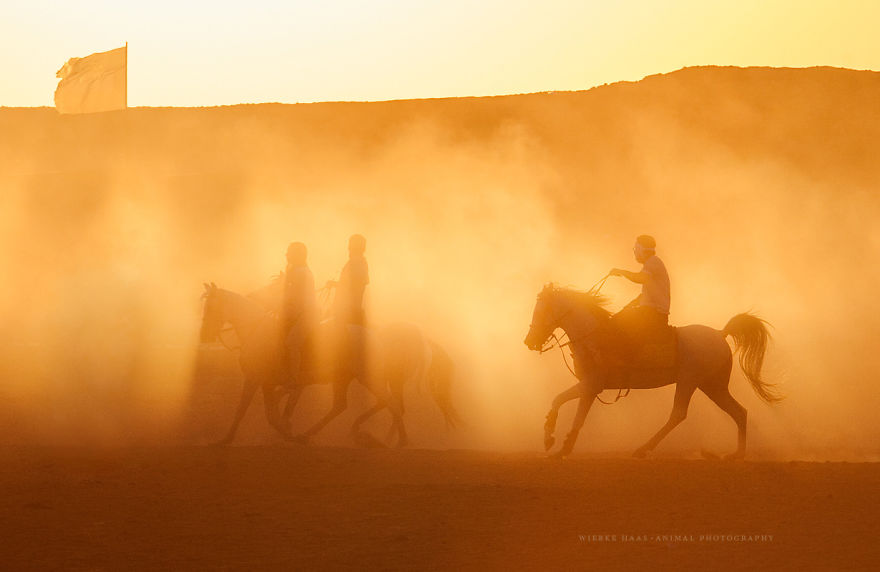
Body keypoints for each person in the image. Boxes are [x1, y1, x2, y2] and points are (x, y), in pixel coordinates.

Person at [607, 234, 671, 359]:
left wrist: (621, 272)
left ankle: (628, 359)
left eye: (635, 249)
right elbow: (648, 293)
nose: (635, 253)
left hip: (654, 313)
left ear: (641, 250)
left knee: (618, 323)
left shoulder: (653, 262)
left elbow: (640, 278)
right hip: (650, 311)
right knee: (620, 317)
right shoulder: (651, 263)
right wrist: (633, 303)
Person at [280, 242, 318, 382]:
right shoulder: (298, 271)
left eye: (289, 253)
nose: (286, 255)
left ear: (297, 255)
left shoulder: (300, 273)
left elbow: (291, 298)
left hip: (306, 315)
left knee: (292, 343)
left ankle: (294, 380)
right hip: (299, 313)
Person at [326, 234, 370, 327]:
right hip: (348, 311)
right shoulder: (359, 262)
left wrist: (334, 284)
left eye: (350, 245)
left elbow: (353, 286)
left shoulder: (357, 263)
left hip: (348, 313)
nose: (348, 248)